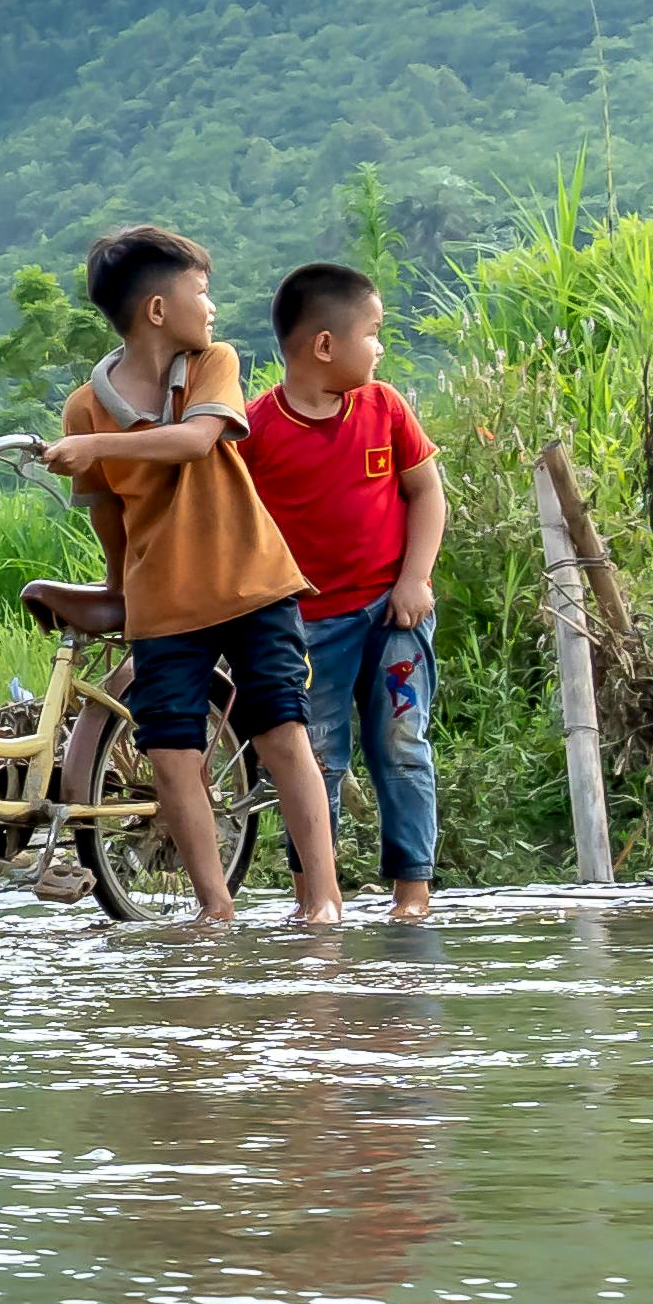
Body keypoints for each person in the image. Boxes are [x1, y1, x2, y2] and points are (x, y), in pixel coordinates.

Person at [43, 222, 346, 927]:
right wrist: (119, 586)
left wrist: (94, 444)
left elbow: (195, 440)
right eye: (200, 291)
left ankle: (324, 899)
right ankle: (215, 907)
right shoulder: (84, 403)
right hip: (162, 601)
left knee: (280, 730)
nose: (210, 307)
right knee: (171, 752)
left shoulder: (213, 362)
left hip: (250, 579)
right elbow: (108, 514)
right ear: (156, 308)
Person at [249, 262, 447, 922]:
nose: (380, 347)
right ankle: (317, 899)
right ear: (324, 345)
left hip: (393, 613)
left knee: (399, 742)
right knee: (316, 758)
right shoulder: (256, 433)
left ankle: (411, 894)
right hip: (307, 628)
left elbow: (425, 494)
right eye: (373, 332)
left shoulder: (384, 407)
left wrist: (414, 578)